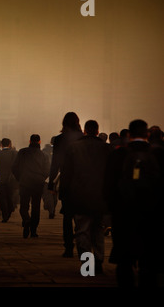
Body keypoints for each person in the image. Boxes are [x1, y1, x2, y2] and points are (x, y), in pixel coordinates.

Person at [104, 119, 164, 287]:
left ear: (129, 135)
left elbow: (108, 186)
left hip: (124, 215)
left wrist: (111, 210)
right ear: (147, 135)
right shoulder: (158, 154)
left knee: (124, 260)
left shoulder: (118, 154)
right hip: (152, 215)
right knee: (149, 260)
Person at [59, 120, 111, 274]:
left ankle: (87, 264)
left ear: (85, 131)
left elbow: (66, 174)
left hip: (79, 195)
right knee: (98, 230)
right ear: (97, 131)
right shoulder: (107, 148)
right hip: (100, 196)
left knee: (83, 230)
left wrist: (64, 193)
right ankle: (99, 259)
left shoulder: (74, 148)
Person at [48, 112, 83, 257]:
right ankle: (82, 244)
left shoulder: (60, 139)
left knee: (67, 215)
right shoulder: (82, 138)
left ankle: (68, 246)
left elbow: (55, 162)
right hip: (82, 180)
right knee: (81, 216)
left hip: (67, 179)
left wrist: (51, 182)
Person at [12, 134, 50, 238]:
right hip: (38, 183)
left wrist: (20, 178)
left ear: (30, 141)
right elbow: (47, 170)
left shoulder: (22, 152)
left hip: (25, 182)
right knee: (36, 206)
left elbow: (15, 167)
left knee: (24, 205)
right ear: (39, 142)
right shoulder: (43, 155)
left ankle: (26, 219)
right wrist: (41, 178)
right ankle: (33, 230)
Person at [0, 138, 17, 222]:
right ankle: (10, 208)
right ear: (10, 144)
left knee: (2, 198)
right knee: (10, 196)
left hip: (0, 180)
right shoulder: (14, 153)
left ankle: (5, 215)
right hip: (12, 180)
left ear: (1, 145)